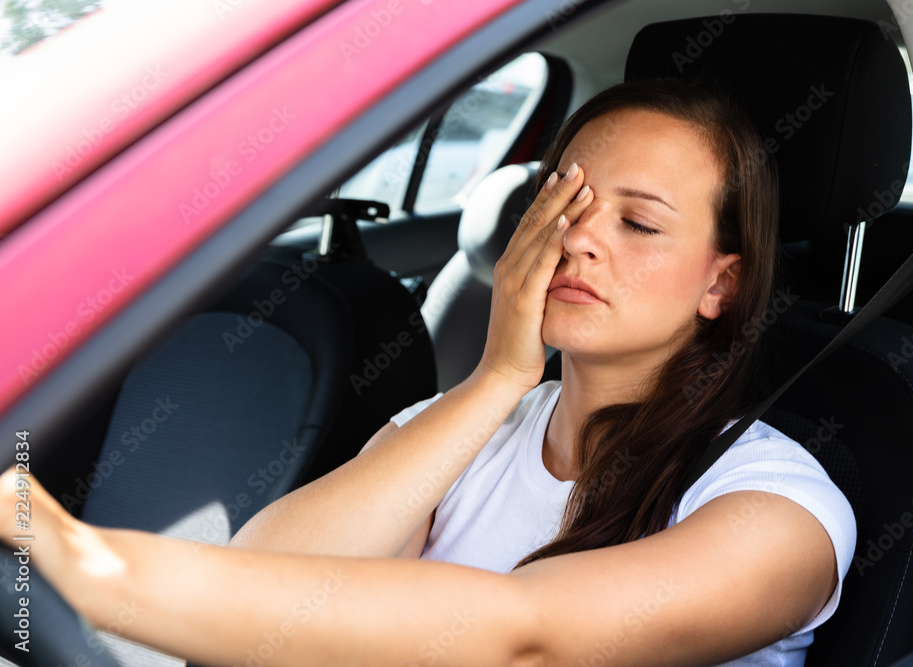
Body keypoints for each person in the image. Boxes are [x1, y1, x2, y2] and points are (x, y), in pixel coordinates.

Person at [1, 77, 855, 666]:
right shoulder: (466, 426)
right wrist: (495, 381)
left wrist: (82, 560)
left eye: (639, 224)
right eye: (567, 203)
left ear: (720, 283)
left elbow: (529, 639)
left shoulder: (776, 509)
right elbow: (271, 602)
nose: (580, 239)